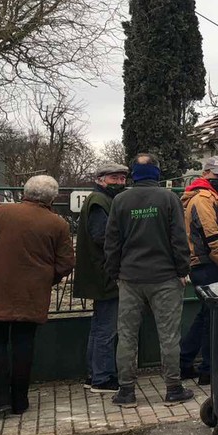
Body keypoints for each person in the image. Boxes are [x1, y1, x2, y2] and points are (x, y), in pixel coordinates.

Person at [0, 175, 75, 419]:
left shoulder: (1, 213)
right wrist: (46, 278)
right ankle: (20, 399)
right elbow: (66, 263)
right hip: (32, 293)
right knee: (24, 343)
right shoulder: (58, 224)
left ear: (25, 192)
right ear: (52, 198)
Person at [105, 154, 193, 407]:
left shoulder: (120, 200)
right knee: (169, 335)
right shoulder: (168, 198)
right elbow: (179, 238)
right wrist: (182, 270)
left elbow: (112, 242)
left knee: (127, 335)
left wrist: (115, 273)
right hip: (164, 278)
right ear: (157, 173)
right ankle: (173, 388)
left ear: (133, 174)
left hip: (130, 278)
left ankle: (126, 391)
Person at [73, 162, 129, 393]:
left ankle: (94, 373)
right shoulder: (99, 202)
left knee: (99, 326)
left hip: (100, 271)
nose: (118, 182)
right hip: (104, 272)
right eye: (114, 178)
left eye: (122, 178)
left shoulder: (102, 200)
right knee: (107, 327)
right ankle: (103, 377)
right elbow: (103, 236)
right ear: (100, 179)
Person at [179, 156, 218, 385]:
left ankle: (185, 361)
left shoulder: (210, 196)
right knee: (212, 318)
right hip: (207, 264)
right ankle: (207, 370)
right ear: (207, 174)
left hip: (206, 263)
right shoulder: (203, 199)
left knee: (204, 316)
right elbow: (212, 237)